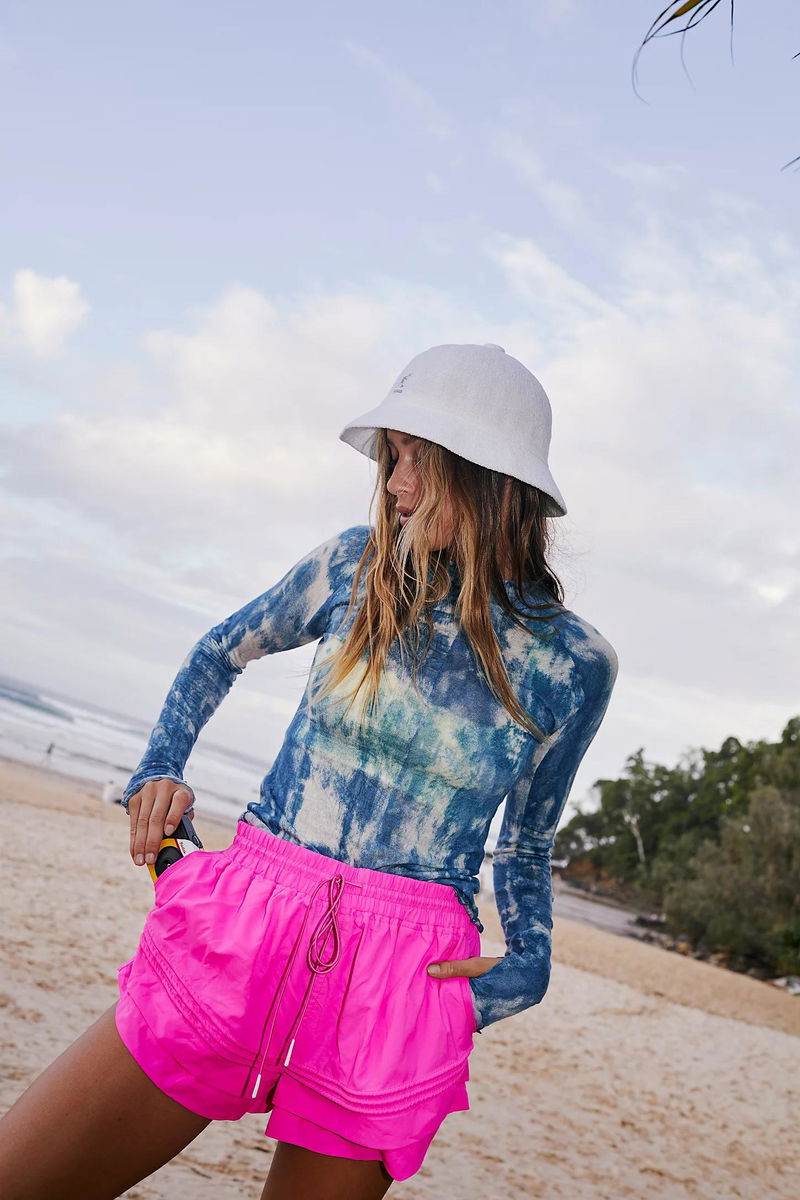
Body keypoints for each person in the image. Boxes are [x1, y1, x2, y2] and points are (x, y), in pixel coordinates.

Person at [0, 342, 618, 1199]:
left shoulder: (576, 663)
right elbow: (220, 651)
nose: (396, 483)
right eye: (392, 456)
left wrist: (528, 966)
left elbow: (525, 842)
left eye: (419, 460)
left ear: (489, 477)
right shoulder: (352, 566)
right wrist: (158, 767)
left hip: (404, 972)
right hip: (252, 909)